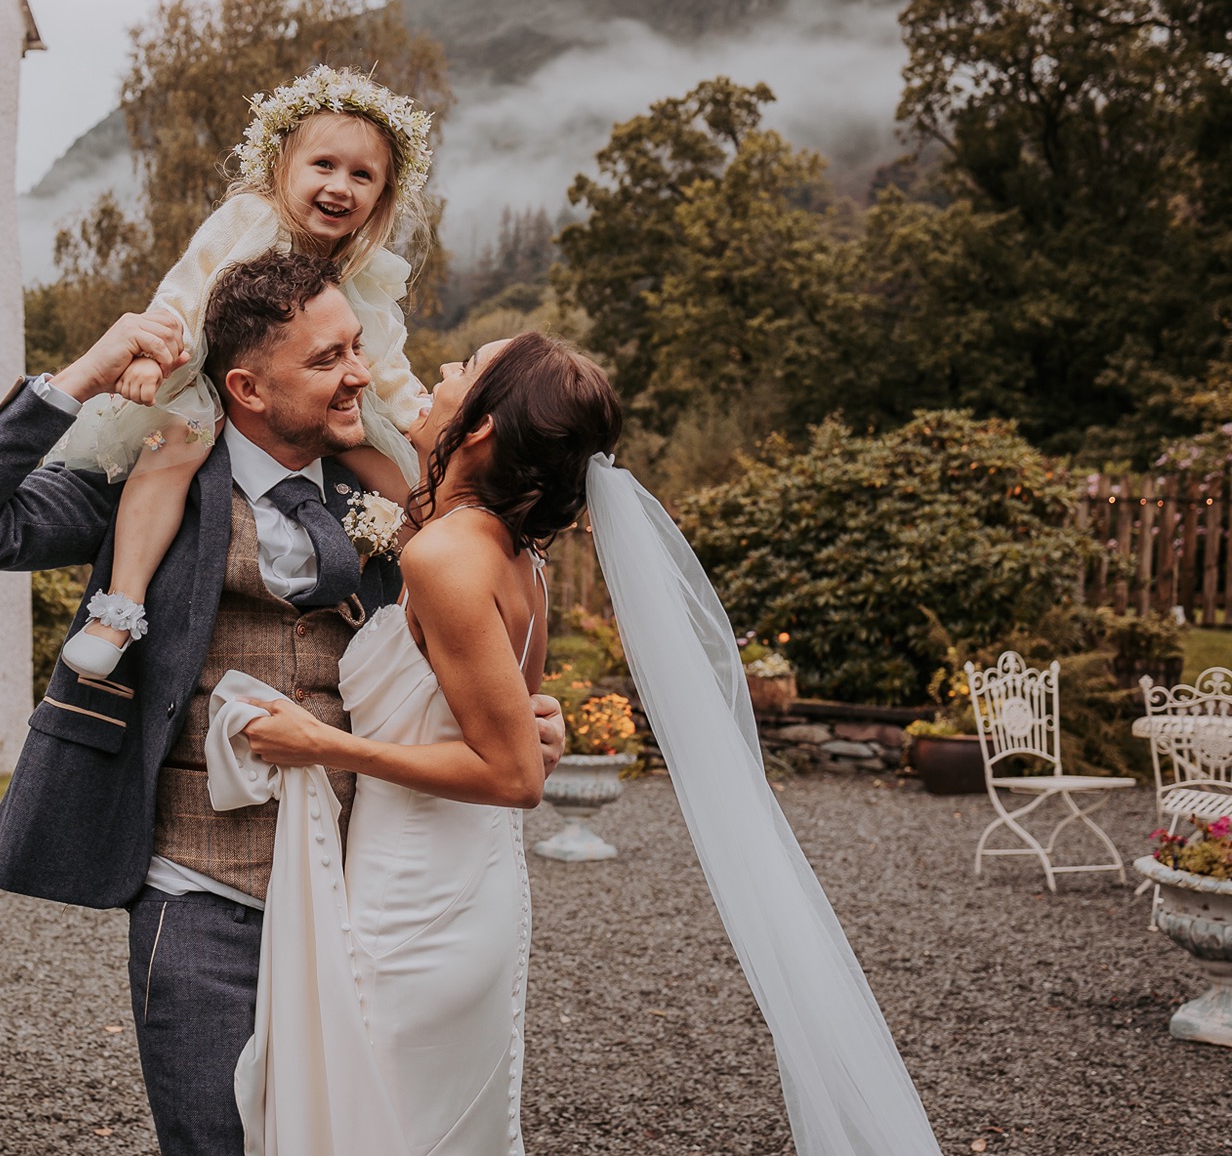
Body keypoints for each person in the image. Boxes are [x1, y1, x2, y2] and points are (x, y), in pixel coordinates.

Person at [0, 251, 565, 1156]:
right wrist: (87, 372)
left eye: (357, 347)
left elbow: (462, 637)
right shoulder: (149, 471)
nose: (361, 376)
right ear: (247, 386)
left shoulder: (386, 491)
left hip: (360, 899)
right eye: (328, 359)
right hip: (201, 889)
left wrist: (521, 715)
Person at [218, 333, 945, 1156]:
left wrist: (323, 745)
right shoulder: (511, 552)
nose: (440, 375)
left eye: (463, 370)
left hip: (417, 898)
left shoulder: (448, 555)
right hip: (462, 881)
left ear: (485, 426)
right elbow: (504, 719)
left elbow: (515, 774)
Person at [53, 65, 434, 679]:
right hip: (200, 375)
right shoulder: (250, 219)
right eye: (324, 166)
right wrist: (151, 354)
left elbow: (379, 356)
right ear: (281, 167)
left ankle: (435, 614)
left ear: (381, 196)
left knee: (405, 483)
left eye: (363, 175)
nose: (341, 186)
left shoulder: (360, 269)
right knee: (174, 445)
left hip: (314, 397)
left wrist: (419, 414)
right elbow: (184, 290)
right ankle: (118, 608)